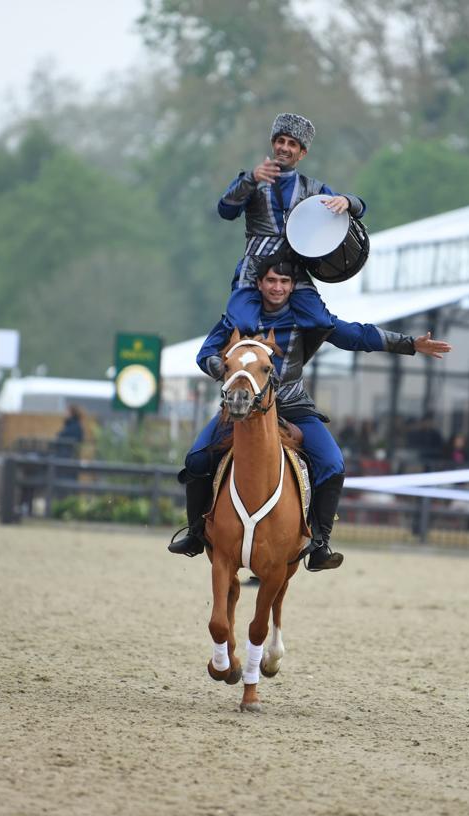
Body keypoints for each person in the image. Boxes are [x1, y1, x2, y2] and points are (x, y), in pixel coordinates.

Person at [167, 254, 451, 570]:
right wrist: (230, 370)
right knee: (195, 458)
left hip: (294, 409)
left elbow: (356, 335)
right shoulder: (235, 319)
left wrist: (410, 343)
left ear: (292, 286)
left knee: (333, 463)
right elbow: (205, 354)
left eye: (284, 282)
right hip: (241, 410)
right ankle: (196, 533)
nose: (277, 287)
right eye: (271, 280)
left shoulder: (306, 318)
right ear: (259, 284)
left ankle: (319, 543)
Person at [217, 113, 366, 332]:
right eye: (280, 141)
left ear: (302, 152)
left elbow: (359, 208)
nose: (284, 148)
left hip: (293, 271)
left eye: (292, 144)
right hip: (254, 268)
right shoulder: (251, 179)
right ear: (273, 144)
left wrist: (348, 201)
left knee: (320, 323)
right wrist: (250, 179)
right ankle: (217, 352)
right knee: (242, 325)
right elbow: (225, 211)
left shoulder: (315, 189)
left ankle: (280, 348)